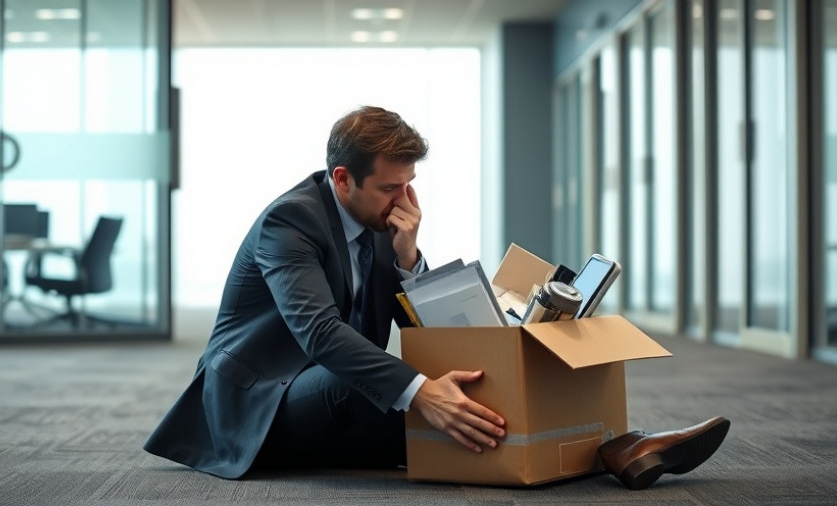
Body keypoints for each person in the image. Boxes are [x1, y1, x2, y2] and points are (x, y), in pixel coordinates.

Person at [144, 105, 729, 490]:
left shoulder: (380, 222)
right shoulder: (289, 222)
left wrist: (407, 256)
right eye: (389, 187)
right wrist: (422, 391)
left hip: (330, 385)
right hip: (260, 401)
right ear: (342, 179)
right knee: (398, 388)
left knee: (457, 381)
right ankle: (599, 449)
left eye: (409, 184)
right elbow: (320, 334)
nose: (403, 199)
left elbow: (415, 325)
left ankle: (612, 447)